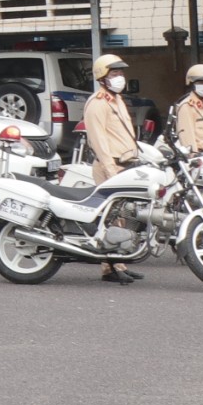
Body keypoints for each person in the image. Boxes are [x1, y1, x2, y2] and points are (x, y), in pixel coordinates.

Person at [82, 54, 141, 284]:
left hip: (124, 164)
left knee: (121, 218)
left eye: (121, 73)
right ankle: (113, 267)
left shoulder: (116, 100)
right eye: (115, 74)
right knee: (111, 219)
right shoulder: (97, 104)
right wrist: (111, 171)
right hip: (110, 166)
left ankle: (116, 265)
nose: (120, 77)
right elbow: (99, 142)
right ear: (102, 77)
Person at [170, 63, 203, 154]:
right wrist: (193, 156)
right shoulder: (187, 106)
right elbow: (187, 137)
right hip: (200, 156)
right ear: (192, 84)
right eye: (201, 83)